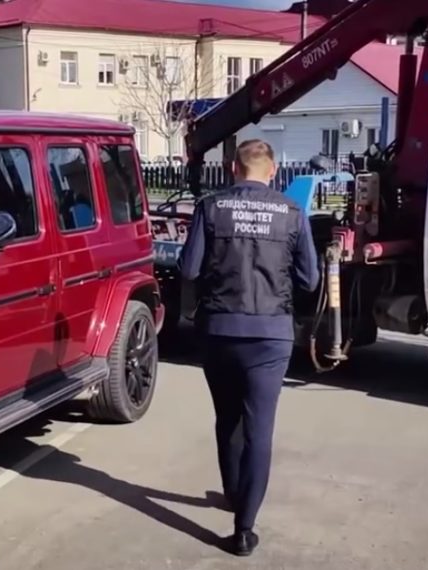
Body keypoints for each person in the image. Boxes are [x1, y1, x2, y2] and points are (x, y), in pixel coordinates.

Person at [177, 139, 319, 556]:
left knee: (227, 419)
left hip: (220, 330)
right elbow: (310, 280)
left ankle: (233, 491)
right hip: (271, 335)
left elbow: (188, 269)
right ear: (273, 171)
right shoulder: (292, 213)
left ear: (232, 169)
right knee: (260, 431)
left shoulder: (210, 207)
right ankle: (244, 528)